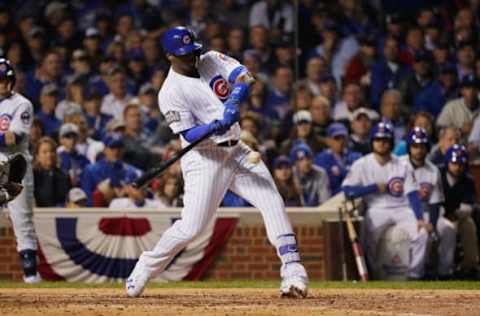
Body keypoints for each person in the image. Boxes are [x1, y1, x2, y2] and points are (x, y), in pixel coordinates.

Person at [126, 26, 308, 299]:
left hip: (239, 152)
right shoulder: (169, 92)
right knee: (191, 228)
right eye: (184, 54)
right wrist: (213, 125)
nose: (192, 57)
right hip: (204, 158)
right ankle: (145, 267)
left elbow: (245, 77)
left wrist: (234, 101)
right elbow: (187, 134)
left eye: (193, 51)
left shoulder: (210, 58)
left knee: (272, 201)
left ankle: (293, 272)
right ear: (168, 56)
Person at [341, 121, 429, 279]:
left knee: (422, 233)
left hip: (402, 209)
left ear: (391, 142)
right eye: (378, 139)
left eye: (385, 140)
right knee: (368, 238)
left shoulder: (402, 164)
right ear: (372, 141)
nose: (381, 143)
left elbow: (412, 194)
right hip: (376, 209)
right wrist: (373, 188)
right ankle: (374, 274)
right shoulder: (362, 164)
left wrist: (420, 218)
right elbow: (347, 191)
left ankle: (415, 275)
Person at [0, 59, 41, 283]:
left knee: (22, 220)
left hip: (15, 167)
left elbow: (12, 138)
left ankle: (31, 278)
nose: (1, 85)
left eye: (4, 80)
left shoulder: (22, 104)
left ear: (11, 81)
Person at [401, 127, 456, 278]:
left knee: (448, 229)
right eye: (415, 146)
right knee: (422, 232)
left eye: (422, 146)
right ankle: (415, 275)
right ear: (409, 147)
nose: (419, 150)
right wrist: (423, 222)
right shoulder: (399, 165)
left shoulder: (433, 170)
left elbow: (435, 201)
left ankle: (445, 273)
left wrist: (432, 222)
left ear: (427, 148)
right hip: (404, 212)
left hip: (427, 213)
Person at [441, 144, 480, 278]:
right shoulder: (437, 174)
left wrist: (455, 215)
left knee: (469, 225)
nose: (457, 167)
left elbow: (468, 206)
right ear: (447, 162)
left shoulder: (468, 180)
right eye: (454, 163)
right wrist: (444, 215)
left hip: (459, 216)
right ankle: (434, 267)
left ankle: (470, 265)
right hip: (438, 215)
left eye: (461, 164)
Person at [314, 123, 361, 195]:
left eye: (343, 138)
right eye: (337, 138)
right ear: (328, 140)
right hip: (331, 200)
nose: (341, 141)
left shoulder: (356, 157)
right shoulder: (320, 160)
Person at [33, 137, 70, 207]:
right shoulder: (32, 176)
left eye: (52, 151)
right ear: (37, 156)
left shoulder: (64, 175)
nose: (49, 155)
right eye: (44, 152)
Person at [290, 142, 330, 206]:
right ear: (295, 162)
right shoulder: (291, 174)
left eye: (308, 158)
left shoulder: (320, 173)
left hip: (317, 212)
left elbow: (325, 200)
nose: (306, 163)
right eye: (301, 160)